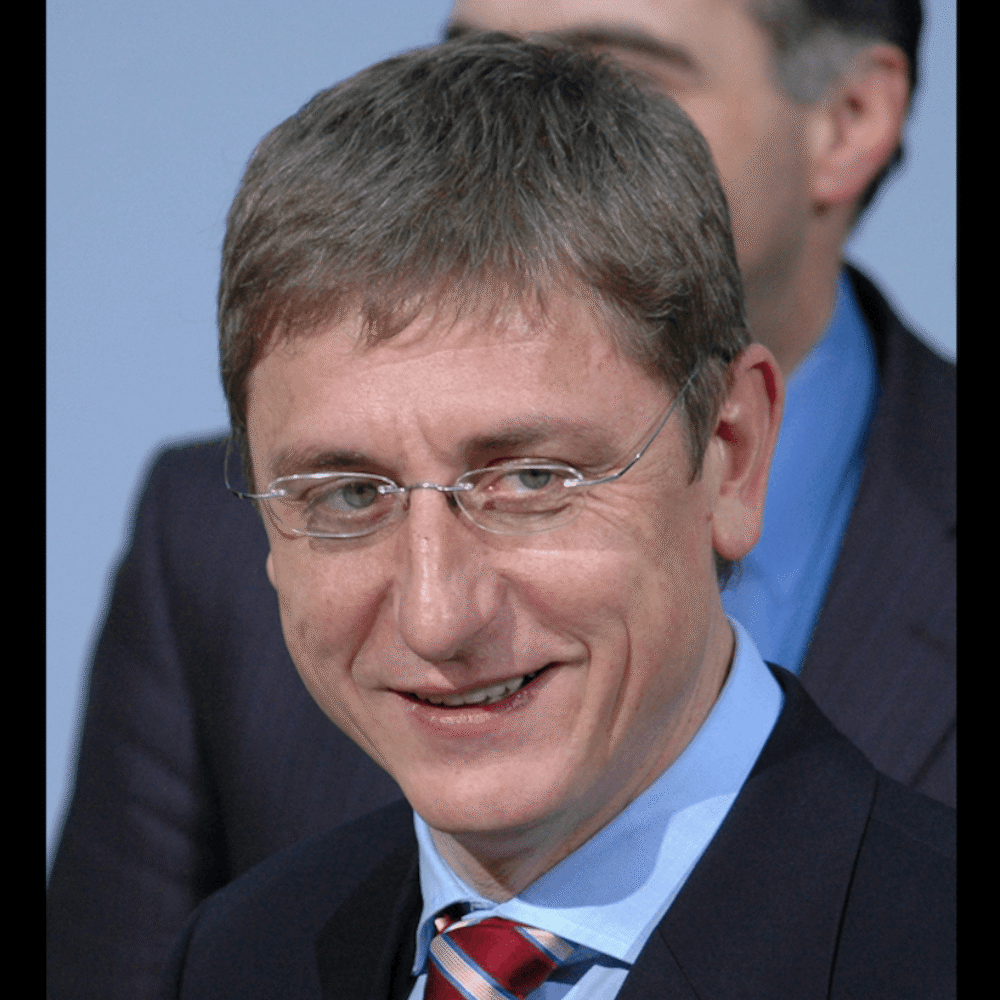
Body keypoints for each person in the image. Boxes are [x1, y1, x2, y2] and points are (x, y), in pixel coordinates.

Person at [46, 2, 955, 997]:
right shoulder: (236, 958)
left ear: (731, 455)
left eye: (530, 479)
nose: (436, 615)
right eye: (349, 493)